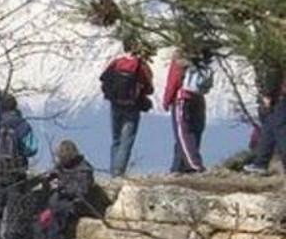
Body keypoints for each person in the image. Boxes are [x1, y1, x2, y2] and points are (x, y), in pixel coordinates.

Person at [33, 140, 110, 239]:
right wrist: (46, 181)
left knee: (58, 213)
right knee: (42, 217)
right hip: (60, 202)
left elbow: (82, 191)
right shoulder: (60, 168)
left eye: (63, 158)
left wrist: (62, 186)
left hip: (79, 204)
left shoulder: (84, 169)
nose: (62, 160)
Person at [0, 93, 38, 239]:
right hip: (16, 174)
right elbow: (31, 148)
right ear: (16, 107)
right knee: (14, 211)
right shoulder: (22, 125)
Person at [98, 42, 155, 177]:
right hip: (132, 106)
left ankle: (113, 171)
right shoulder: (141, 66)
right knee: (126, 141)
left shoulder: (116, 63)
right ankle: (118, 172)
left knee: (116, 139)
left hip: (115, 104)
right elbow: (149, 88)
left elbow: (103, 78)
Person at [223, 64, 286, 176]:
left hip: (279, 97)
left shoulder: (270, 56)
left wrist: (268, 94)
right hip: (278, 97)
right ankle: (260, 163)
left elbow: (273, 71)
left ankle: (260, 163)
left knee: (280, 131)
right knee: (269, 131)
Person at [165, 46, 214, 174]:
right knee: (194, 132)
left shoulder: (180, 60)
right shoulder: (204, 60)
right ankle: (178, 167)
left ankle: (194, 165)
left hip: (182, 98)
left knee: (183, 134)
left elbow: (173, 82)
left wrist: (167, 100)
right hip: (198, 98)